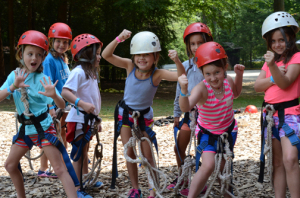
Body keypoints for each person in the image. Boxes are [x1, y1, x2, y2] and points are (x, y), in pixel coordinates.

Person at [102, 29, 185, 198]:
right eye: (138, 54)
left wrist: (177, 60)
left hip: (144, 118)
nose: (142, 58)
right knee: (129, 152)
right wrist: (119, 38)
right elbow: (106, 55)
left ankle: (153, 188)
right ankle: (135, 188)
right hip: (125, 114)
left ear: (155, 57)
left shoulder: (157, 74)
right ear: (133, 56)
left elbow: (181, 76)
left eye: (147, 54)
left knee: (147, 155)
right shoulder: (130, 66)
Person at [0, 30, 78, 198]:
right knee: (10, 165)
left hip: (43, 129)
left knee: (59, 169)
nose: (33, 58)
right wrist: (13, 87)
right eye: (29, 54)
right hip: (26, 130)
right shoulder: (14, 76)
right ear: (21, 54)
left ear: (43, 57)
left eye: (38, 55)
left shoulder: (43, 79)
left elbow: (61, 105)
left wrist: (54, 95)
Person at [178, 41, 244, 198]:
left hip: (228, 131)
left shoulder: (228, 82)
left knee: (223, 167)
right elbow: (185, 107)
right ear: (201, 72)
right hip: (208, 133)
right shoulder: (201, 89)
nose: (213, 78)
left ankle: (227, 194)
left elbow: (236, 93)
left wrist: (239, 75)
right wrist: (183, 90)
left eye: (217, 72)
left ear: (224, 68)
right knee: (208, 165)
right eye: (207, 74)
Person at [254, 11, 300, 197]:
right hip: (271, 117)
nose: (277, 45)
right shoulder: (271, 63)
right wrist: (273, 74)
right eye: (273, 41)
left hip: (290, 114)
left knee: (290, 159)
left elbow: (286, 82)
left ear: (290, 38)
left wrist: (273, 70)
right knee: (278, 163)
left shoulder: (296, 58)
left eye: (281, 40)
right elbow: (258, 85)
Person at [167, 22, 213, 196]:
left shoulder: (212, 64)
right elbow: (180, 90)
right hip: (189, 113)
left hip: (208, 114)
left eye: (199, 43)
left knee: (205, 149)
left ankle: (204, 180)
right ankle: (183, 177)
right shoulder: (185, 65)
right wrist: (177, 113)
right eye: (192, 44)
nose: (195, 47)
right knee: (179, 147)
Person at [61, 33, 103, 198]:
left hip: (87, 120)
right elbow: (65, 91)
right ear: (88, 54)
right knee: (78, 154)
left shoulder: (91, 72)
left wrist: (97, 119)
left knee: (84, 152)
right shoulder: (78, 72)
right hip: (78, 120)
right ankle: (77, 189)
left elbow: (94, 97)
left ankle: (82, 182)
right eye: (97, 53)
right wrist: (82, 104)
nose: (100, 57)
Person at [38, 22, 72, 178]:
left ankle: (62, 163)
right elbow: (48, 83)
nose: (62, 45)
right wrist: (51, 107)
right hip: (54, 104)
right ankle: (44, 168)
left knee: (61, 133)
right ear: (51, 41)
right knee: (51, 135)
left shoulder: (62, 59)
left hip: (63, 104)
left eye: (65, 42)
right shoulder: (49, 60)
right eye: (58, 41)